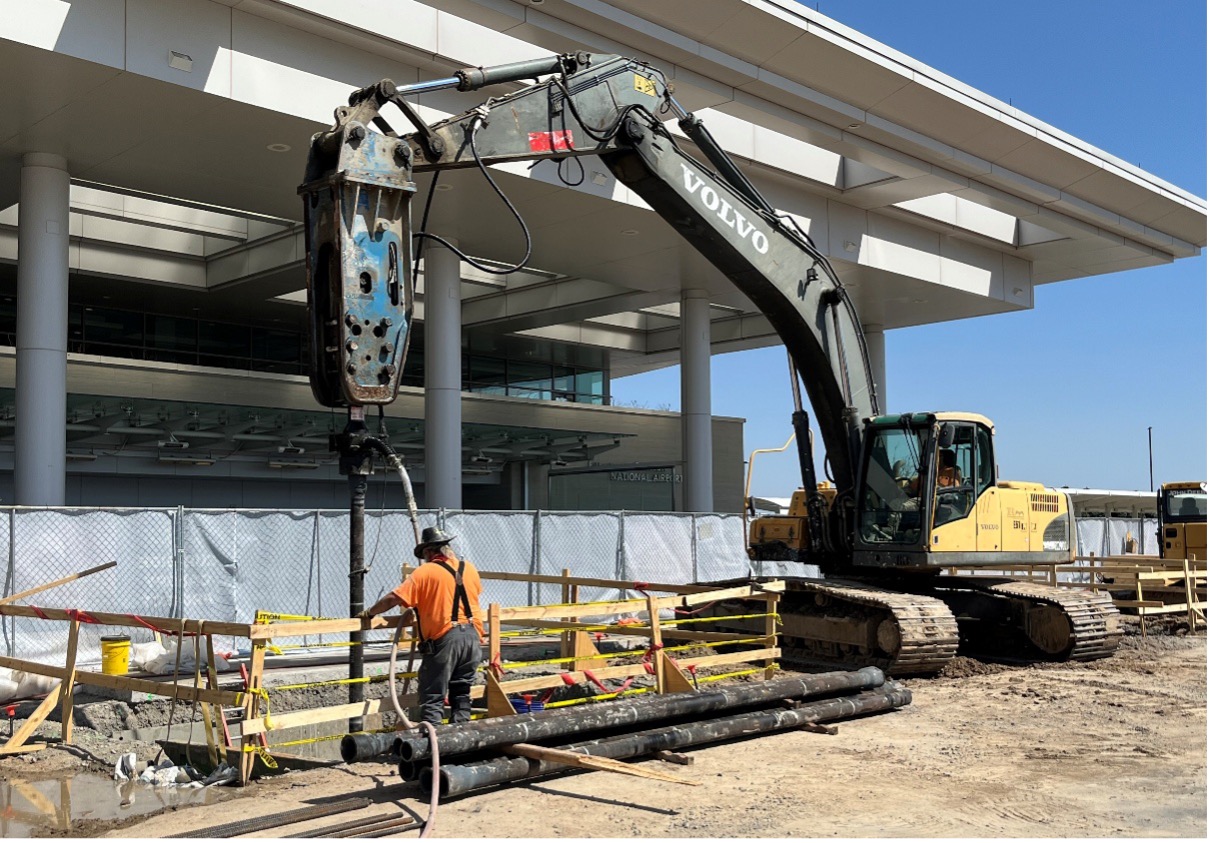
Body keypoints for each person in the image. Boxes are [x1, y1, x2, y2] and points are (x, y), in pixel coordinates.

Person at [359, 527, 485, 727]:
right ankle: (462, 737)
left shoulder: (425, 572)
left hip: (445, 638)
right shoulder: (468, 568)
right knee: (461, 691)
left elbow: (394, 598)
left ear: (429, 552)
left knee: (433, 694)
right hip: (473, 637)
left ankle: (433, 741)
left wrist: (371, 612)